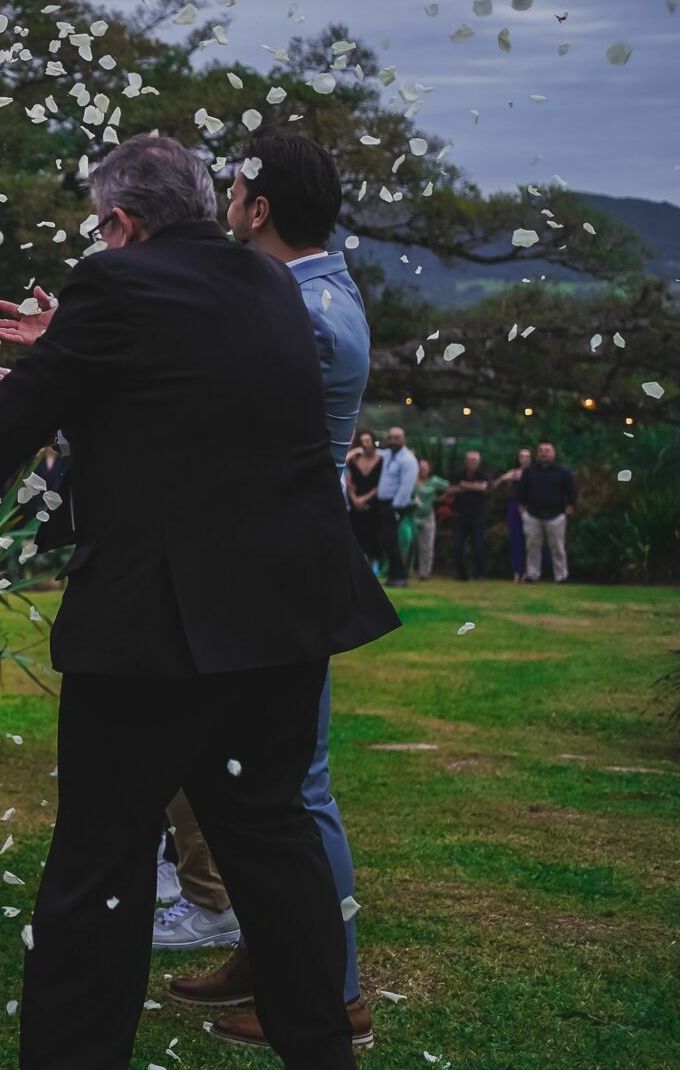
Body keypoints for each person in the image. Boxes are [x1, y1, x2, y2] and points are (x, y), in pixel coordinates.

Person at [0, 134, 398, 1069]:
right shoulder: (270, 286)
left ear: (119, 221)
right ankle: (323, 1050)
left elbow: (18, 414)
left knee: (100, 859)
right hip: (281, 618)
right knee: (272, 843)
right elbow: (181, 410)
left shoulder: (110, 286)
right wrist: (75, 347)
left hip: (152, 628)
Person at [155, 130, 375, 1048]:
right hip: (279, 558)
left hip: (278, 567)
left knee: (296, 790)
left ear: (256, 206)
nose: (227, 206)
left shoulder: (294, 304)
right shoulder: (319, 288)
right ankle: (267, 948)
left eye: (235, 188)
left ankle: (335, 990)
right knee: (257, 780)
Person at [517, 441, 577, 583]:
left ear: (553, 453)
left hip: (556, 516)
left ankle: (561, 576)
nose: (543, 453)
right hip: (532, 515)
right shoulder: (529, 472)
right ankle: (532, 574)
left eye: (547, 450)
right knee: (532, 547)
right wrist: (523, 512)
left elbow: (571, 494)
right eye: (541, 450)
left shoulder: (563, 472)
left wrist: (567, 511)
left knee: (557, 548)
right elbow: (521, 493)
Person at [378, 426, 419, 587]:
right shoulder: (388, 455)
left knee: (393, 541)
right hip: (383, 503)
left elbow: (406, 486)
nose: (393, 441)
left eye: (397, 438)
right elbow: (374, 454)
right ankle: (393, 575)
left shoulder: (408, 459)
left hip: (395, 505)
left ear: (404, 439)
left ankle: (400, 576)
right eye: (391, 438)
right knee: (387, 541)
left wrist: (396, 508)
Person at [447, 449, 491, 580]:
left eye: (475, 460)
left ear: (479, 462)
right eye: (470, 460)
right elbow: (450, 489)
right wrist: (472, 486)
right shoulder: (458, 474)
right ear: (465, 461)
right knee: (457, 545)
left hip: (477, 515)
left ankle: (479, 573)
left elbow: (483, 488)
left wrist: (464, 485)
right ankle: (461, 574)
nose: (472, 463)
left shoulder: (482, 474)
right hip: (460, 515)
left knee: (478, 546)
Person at [345, 432, 385, 570]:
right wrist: (355, 498)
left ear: (373, 442)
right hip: (355, 504)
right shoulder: (355, 460)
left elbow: (381, 484)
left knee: (373, 535)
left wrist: (364, 498)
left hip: (373, 504)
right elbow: (349, 481)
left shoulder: (382, 460)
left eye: (367, 441)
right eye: (362, 441)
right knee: (355, 535)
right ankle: (355, 567)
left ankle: (372, 568)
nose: (365, 444)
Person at [496, 447, 534, 583]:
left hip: (531, 509)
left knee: (531, 542)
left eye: (527, 457)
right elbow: (496, 483)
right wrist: (502, 479)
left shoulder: (535, 473)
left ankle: (530, 572)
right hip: (515, 508)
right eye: (521, 457)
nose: (524, 459)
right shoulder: (515, 473)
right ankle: (517, 572)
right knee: (516, 541)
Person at [410, 459, 449, 580]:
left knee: (426, 546)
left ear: (429, 470)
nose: (422, 470)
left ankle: (424, 573)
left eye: (424, 468)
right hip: (413, 516)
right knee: (409, 544)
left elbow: (448, 487)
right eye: (420, 468)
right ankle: (406, 571)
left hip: (428, 517)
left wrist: (439, 498)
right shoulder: (411, 480)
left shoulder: (434, 481)